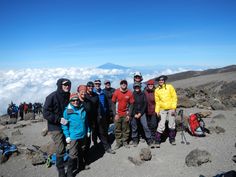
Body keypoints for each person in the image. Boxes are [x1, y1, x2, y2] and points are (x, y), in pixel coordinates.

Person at [43, 78, 71, 177]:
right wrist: (58, 119)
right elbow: (45, 113)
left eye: (68, 84)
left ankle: (66, 162)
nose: (67, 86)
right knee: (61, 147)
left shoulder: (68, 95)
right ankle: (61, 169)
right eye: (65, 84)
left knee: (66, 144)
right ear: (59, 85)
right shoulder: (51, 97)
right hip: (55, 126)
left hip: (66, 125)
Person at [62, 92, 91, 177]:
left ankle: (81, 166)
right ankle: (70, 173)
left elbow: (86, 122)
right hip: (74, 136)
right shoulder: (67, 111)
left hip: (83, 135)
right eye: (73, 100)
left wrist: (88, 130)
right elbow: (64, 125)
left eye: (77, 100)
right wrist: (67, 136)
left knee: (82, 150)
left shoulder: (82, 108)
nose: (75, 102)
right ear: (70, 101)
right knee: (73, 154)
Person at [154, 75, 178, 147]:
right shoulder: (157, 90)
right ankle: (157, 141)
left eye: (162, 80)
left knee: (172, 124)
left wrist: (174, 108)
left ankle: (172, 139)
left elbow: (174, 97)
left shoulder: (170, 87)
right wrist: (157, 111)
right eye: (159, 80)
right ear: (158, 81)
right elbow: (157, 102)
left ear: (164, 81)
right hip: (162, 109)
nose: (161, 81)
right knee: (161, 125)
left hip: (171, 109)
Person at [93, 79, 115, 154]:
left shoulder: (102, 93)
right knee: (95, 131)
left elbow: (106, 104)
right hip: (94, 116)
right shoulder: (92, 93)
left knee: (103, 130)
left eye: (98, 84)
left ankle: (106, 146)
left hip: (103, 114)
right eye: (96, 84)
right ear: (94, 84)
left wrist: (108, 112)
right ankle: (96, 145)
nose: (97, 85)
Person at [112, 79, 134, 150]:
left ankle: (125, 142)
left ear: (126, 84)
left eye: (125, 83)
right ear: (120, 84)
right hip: (118, 114)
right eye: (122, 83)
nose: (123, 84)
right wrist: (115, 114)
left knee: (126, 129)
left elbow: (131, 104)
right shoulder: (116, 92)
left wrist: (129, 115)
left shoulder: (129, 93)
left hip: (125, 114)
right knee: (117, 129)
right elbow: (113, 103)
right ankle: (118, 143)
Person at [130, 82, 153, 147]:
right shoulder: (131, 94)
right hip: (134, 113)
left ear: (140, 87)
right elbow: (131, 105)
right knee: (134, 127)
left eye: (138, 87)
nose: (137, 88)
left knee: (145, 126)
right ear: (134, 88)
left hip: (141, 113)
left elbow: (145, 104)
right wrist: (134, 114)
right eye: (136, 87)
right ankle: (135, 139)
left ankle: (149, 139)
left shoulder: (143, 94)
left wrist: (140, 113)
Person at [144, 79, 159, 147]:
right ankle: (150, 139)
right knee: (148, 125)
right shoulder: (144, 91)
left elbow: (158, 101)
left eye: (151, 84)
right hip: (146, 111)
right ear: (147, 85)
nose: (150, 85)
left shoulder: (156, 91)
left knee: (154, 125)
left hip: (154, 111)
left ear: (153, 85)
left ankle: (154, 138)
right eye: (149, 84)